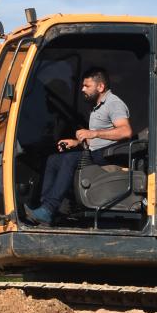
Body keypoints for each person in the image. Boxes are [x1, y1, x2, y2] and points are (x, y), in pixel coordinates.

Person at [25, 67, 132, 226]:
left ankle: (48, 209)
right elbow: (97, 138)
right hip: (97, 153)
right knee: (54, 160)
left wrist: (93, 133)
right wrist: (76, 142)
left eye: (87, 86)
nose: (82, 89)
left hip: (109, 155)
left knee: (69, 159)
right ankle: (46, 207)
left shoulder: (114, 103)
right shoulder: (97, 107)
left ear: (100, 87)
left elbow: (126, 131)